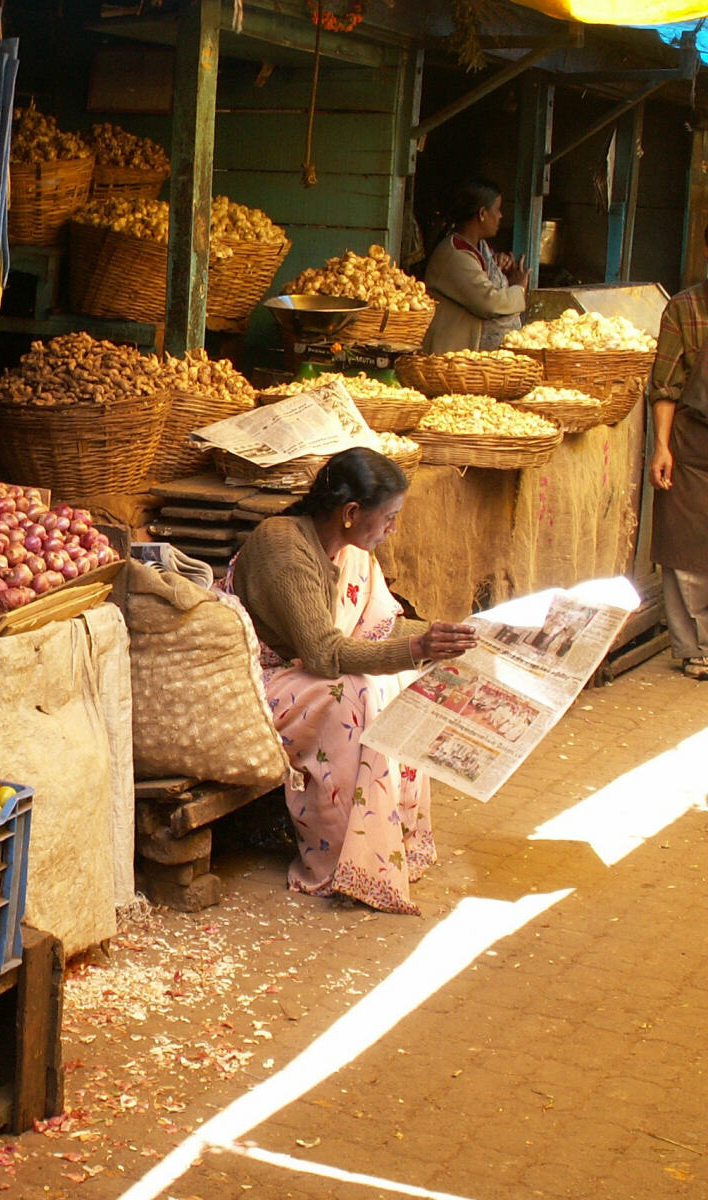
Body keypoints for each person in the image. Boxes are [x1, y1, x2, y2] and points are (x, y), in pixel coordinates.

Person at [222, 448, 478, 914]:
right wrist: (418, 649)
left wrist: (450, 637)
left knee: (396, 680)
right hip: (257, 680)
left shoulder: (351, 551)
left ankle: (385, 845)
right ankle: (343, 863)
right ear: (351, 513)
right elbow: (324, 654)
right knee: (357, 693)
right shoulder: (285, 551)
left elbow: (378, 631)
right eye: (390, 518)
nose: (392, 529)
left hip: (311, 667)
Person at [647, 227, 708, 679]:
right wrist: (662, 446)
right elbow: (665, 386)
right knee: (685, 547)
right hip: (694, 441)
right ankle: (695, 648)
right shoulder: (686, 309)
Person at [420, 179, 528, 353]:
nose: (501, 216)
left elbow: (484, 275)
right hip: (447, 356)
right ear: (482, 214)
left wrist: (501, 270)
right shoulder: (455, 255)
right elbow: (489, 303)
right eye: (497, 209)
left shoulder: (478, 248)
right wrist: (519, 288)